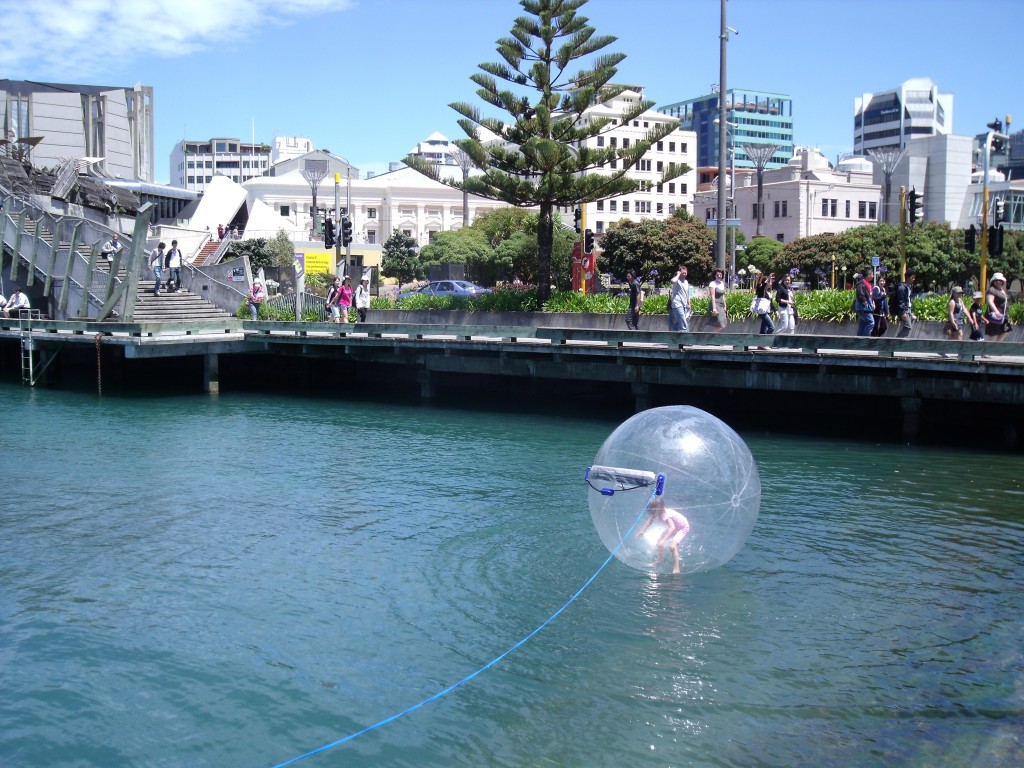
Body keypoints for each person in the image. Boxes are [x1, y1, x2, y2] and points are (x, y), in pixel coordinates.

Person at [635, 496, 690, 575]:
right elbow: (650, 521)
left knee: (672, 547)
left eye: (653, 511)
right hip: (675, 527)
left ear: (659, 508)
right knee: (659, 542)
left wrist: (664, 539)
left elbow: (672, 527)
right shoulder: (658, 512)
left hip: (682, 527)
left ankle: (676, 567)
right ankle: (660, 560)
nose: (652, 514)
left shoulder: (665, 515)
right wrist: (642, 531)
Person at [985, 272, 1010, 342]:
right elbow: (990, 301)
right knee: (993, 338)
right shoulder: (992, 290)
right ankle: (988, 352)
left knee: (1007, 330)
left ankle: (996, 347)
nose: (998, 282)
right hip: (995, 317)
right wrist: (996, 311)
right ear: (993, 281)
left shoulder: (1002, 290)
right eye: (996, 280)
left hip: (1003, 316)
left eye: (1000, 280)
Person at [894, 270, 917, 338]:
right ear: (907, 277)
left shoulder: (909, 287)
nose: (914, 279)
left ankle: (902, 343)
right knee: (908, 327)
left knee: (908, 328)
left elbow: (909, 299)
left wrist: (911, 311)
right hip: (904, 310)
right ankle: (896, 341)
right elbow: (900, 300)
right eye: (912, 277)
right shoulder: (902, 287)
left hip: (908, 309)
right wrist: (903, 312)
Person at [668, 265, 691, 332]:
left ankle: (673, 331)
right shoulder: (677, 281)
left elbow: (687, 294)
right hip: (677, 304)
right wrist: (678, 274)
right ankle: (686, 337)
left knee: (682, 321)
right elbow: (672, 280)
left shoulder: (686, 282)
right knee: (683, 323)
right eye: (682, 272)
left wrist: (689, 304)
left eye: (685, 272)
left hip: (684, 305)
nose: (684, 273)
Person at [853, 268, 875, 337]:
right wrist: (864, 302)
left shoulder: (869, 284)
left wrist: (872, 303)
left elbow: (870, 296)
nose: (872, 276)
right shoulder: (861, 283)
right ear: (867, 275)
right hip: (863, 308)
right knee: (871, 322)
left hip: (867, 307)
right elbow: (860, 294)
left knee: (863, 324)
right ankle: (865, 339)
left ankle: (859, 340)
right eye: (871, 274)